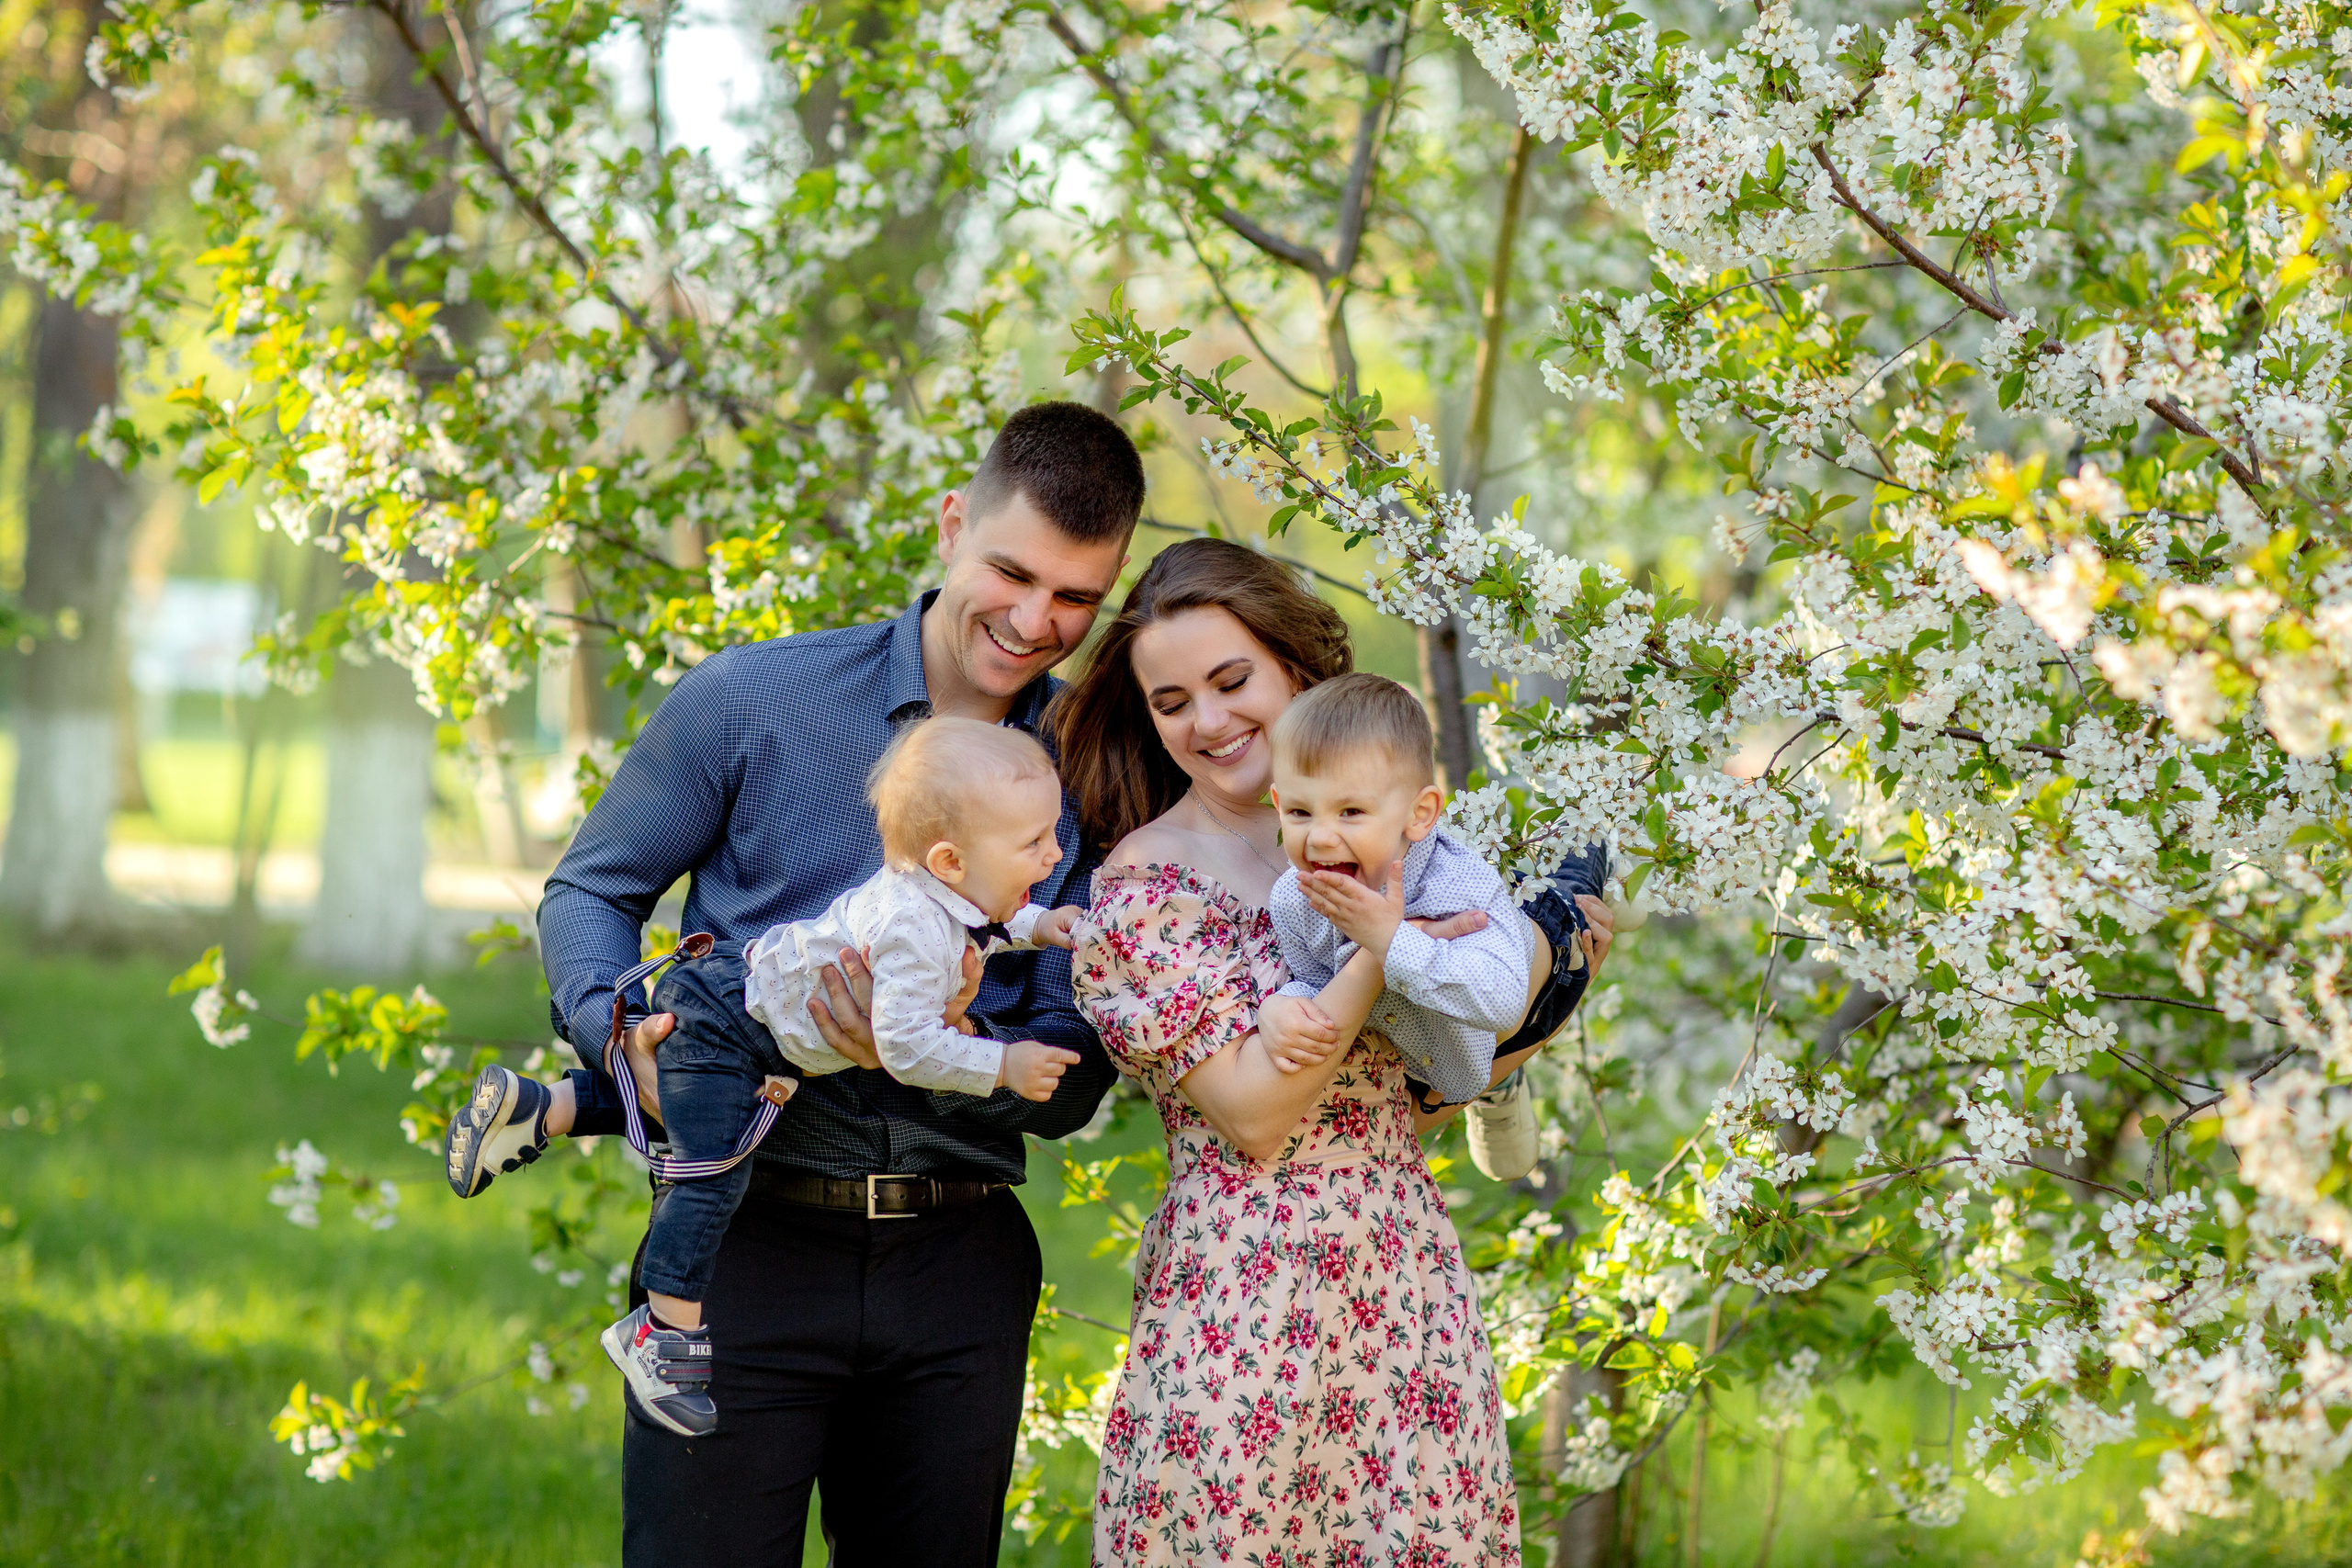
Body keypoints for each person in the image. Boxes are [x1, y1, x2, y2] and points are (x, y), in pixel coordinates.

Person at [489, 400, 1142, 1566]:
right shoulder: (752, 702)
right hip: (745, 1252)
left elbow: (1075, 1080)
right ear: (953, 525)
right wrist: (620, 1031)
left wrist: (941, 1063)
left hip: (960, 1266)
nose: (1036, 621)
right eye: (1012, 571)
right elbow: (591, 891)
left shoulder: (1088, 782)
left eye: (1076, 598)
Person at [1050, 538, 1613, 1566]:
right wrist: (1378, 936)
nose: (1209, 722)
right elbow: (1258, 1116)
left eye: (1232, 682)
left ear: (1296, 672)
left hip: (1399, 1273)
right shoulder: (1144, 885)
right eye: (1173, 701)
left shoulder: (1395, 831)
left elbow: (1393, 1109)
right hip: (1245, 1295)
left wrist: (1532, 1002)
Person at [447, 717, 1088, 1439]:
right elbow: (906, 1047)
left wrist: (1041, 924)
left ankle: (542, 1105)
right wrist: (1002, 1061)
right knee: (711, 1167)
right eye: (1034, 843)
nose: (1054, 852)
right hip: (735, 1024)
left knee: (695, 1106)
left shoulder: (937, 887)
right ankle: (663, 1333)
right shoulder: (913, 928)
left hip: (738, 1011)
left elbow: (987, 914)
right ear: (948, 857)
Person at [1259, 671, 1608, 1144]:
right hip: (1438, 1051)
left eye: (1351, 812)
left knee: (1579, 875)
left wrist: (1391, 941)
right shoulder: (1294, 899)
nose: (1319, 837)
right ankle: (1498, 1082)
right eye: (1300, 812)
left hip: (1542, 973)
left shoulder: (1459, 889)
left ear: (1419, 814)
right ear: (1278, 803)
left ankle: (1600, 831)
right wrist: (1279, 1007)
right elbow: (1318, 983)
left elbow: (1504, 1003)